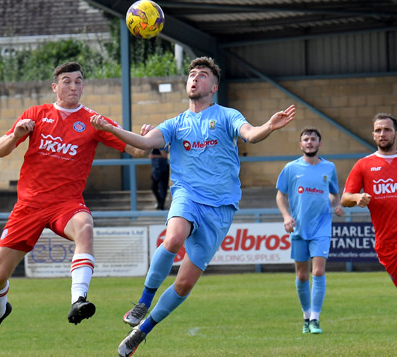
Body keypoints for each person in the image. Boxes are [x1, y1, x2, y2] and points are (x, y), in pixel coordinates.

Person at [90, 56, 296, 357]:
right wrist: (111, 129)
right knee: (173, 237)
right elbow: (145, 143)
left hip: (221, 208)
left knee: (184, 284)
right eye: (191, 74)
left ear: (214, 87)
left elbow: (250, 134)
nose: (194, 78)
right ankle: (143, 302)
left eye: (202, 75)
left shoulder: (227, 115)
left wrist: (269, 126)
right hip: (187, 195)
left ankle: (140, 331)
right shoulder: (176, 124)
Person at [0, 62, 146, 347]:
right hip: (29, 206)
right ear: (55, 87)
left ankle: (78, 300)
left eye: (78, 81)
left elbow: (137, 150)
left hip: (66, 204)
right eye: (66, 81)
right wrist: (17, 134)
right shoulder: (37, 114)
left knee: (85, 227)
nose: (73, 86)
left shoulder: (93, 120)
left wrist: (142, 135)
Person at [275, 127, 343, 335]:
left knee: (319, 271)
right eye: (306, 139)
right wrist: (287, 217)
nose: (310, 142)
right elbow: (280, 195)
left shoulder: (329, 168)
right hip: (299, 228)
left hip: (322, 226)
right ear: (301, 145)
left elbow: (333, 193)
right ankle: (306, 317)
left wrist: (337, 204)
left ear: (320, 144)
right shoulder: (290, 168)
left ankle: (315, 319)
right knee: (303, 275)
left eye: (313, 139)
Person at [341, 113, 397, 287]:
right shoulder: (363, 165)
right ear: (373, 135)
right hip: (388, 242)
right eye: (378, 130)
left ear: (395, 133)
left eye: (387, 129)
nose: (382, 134)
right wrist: (357, 197)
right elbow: (344, 199)